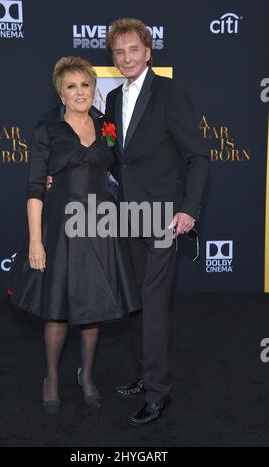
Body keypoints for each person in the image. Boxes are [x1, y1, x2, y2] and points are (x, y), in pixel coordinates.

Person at [7, 56, 141, 415]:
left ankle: (87, 376)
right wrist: (36, 241)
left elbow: (119, 170)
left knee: (93, 307)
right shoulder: (47, 130)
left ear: (94, 89)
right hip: (60, 230)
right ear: (60, 93)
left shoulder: (106, 125)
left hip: (98, 227)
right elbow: (35, 188)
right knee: (56, 310)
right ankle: (51, 377)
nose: (79, 92)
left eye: (85, 85)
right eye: (71, 86)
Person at [104, 18, 209, 425]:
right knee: (135, 302)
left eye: (133, 50)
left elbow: (197, 157)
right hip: (128, 215)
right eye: (119, 52)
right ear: (113, 58)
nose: (126, 57)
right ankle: (143, 374)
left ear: (148, 52)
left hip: (164, 217)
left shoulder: (170, 92)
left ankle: (160, 392)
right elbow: (116, 155)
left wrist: (188, 210)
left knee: (154, 302)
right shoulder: (112, 100)